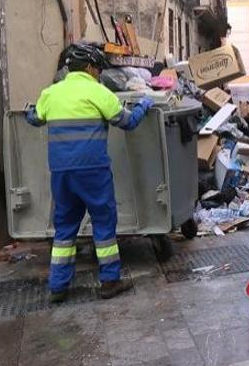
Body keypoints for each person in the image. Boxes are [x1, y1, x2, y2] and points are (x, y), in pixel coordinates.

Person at [26, 43, 154, 302]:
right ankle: (109, 281)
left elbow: (34, 118)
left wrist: (31, 110)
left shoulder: (51, 93)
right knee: (103, 222)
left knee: (64, 227)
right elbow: (127, 122)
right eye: (97, 69)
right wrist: (144, 105)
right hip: (93, 171)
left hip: (61, 172)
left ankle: (58, 286)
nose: (98, 73)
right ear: (88, 67)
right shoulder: (98, 92)